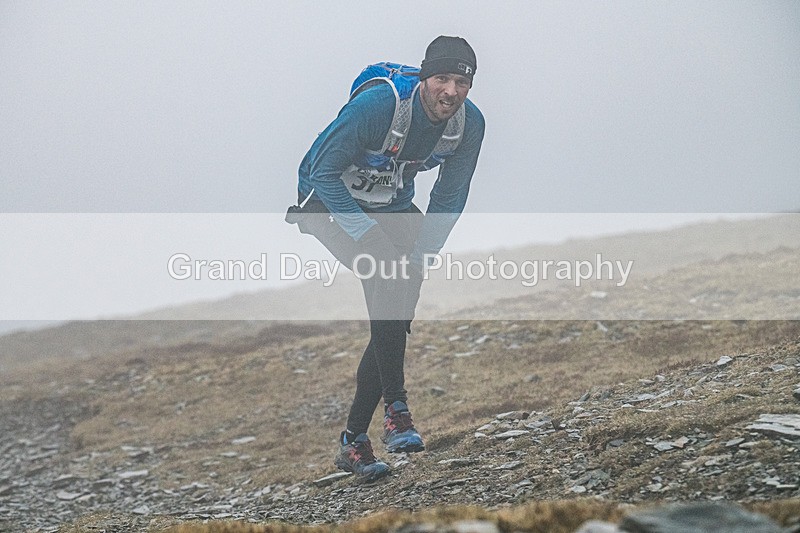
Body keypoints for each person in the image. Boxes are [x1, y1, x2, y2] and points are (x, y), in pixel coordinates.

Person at [288, 36, 485, 481]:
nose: (450, 91)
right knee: (387, 276)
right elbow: (322, 172)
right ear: (423, 78)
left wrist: (423, 256)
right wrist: (369, 236)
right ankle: (397, 411)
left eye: (461, 82)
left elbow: (451, 195)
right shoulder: (378, 106)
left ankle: (353, 442)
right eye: (441, 79)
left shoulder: (468, 125)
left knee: (397, 310)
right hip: (327, 203)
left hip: (391, 205)